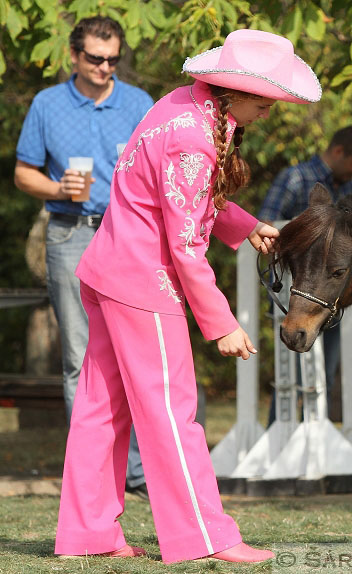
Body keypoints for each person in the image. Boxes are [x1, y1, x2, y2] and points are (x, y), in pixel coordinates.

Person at [53, 29, 321, 563]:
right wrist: (221, 322)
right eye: (265, 102)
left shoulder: (180, 106)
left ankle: (87, 534)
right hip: (142, 284)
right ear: (237, 93)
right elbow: (184, 244)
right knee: (172, 413)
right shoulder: (195, 138)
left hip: (109, 270)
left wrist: (244, 225)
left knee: (99, 409)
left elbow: (176, 199)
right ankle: (205, 537)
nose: (267, 112)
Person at [14, 16, 154, 499]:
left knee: (131, 355)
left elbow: (161, 173)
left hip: (129, 238)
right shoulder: (47, 104)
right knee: (79, 358)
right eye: (95, 58)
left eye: (113, 59)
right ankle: (91, 474)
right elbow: (22, 173)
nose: (104, 67)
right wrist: (56, 188)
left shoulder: (138, 104)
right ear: (74, 56)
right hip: (70, 235)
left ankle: (135, 471)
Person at [258, 126, 352, 420]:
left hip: (332, 296)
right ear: (338, 152)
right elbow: (264, 226)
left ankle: (317, 438)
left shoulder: (350, 189)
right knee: (291, 376)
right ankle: (279, 433)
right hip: (295, 292)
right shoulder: (295, 179)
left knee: (326, 375)